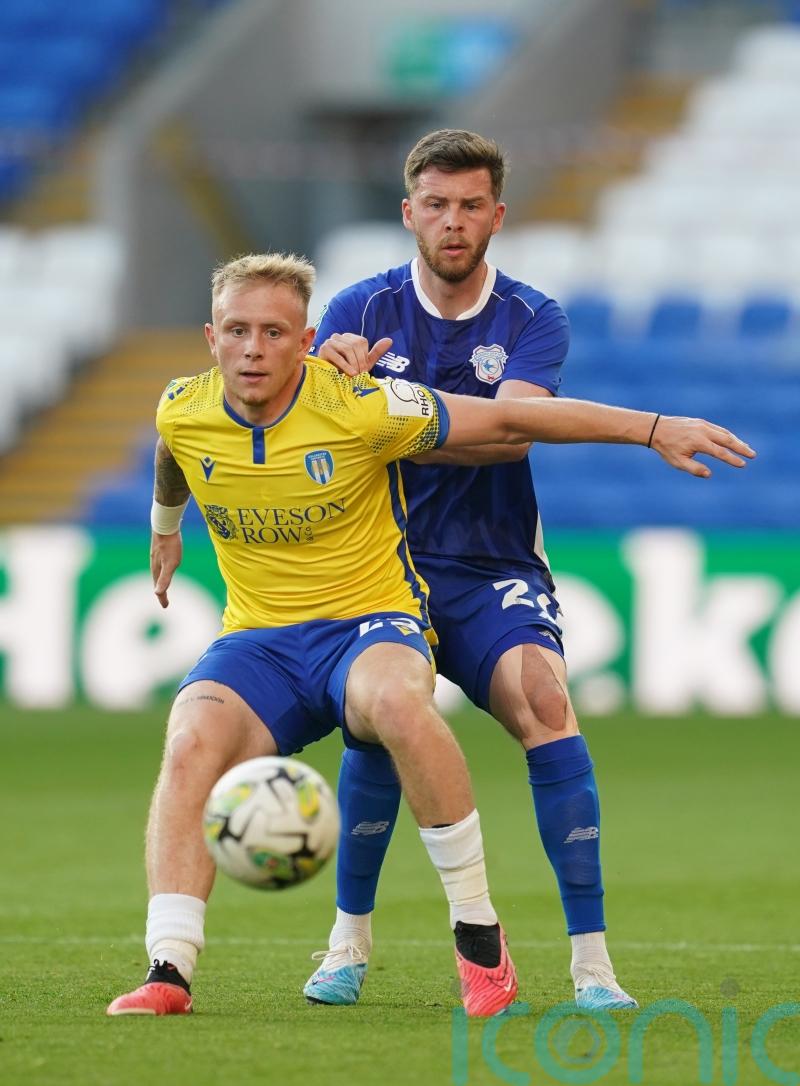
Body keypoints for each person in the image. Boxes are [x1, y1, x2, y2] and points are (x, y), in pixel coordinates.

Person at [105, 251, 752, 1020]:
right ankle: (168, 971)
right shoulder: (183, 404)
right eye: (238, 331)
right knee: (188, 740)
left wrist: (651, 429)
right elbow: (175, 449)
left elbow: (511, 420)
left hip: (370, 623)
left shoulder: (362, 406)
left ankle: (479, 937)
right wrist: (163, 526)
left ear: (305, 339)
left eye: (274, 333)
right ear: (211, 338)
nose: (254, 349)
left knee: (400, 704)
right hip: (263, 639)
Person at [301, 128, 746, 1012]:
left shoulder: (533, 317)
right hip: (382, 568)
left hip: (492, 563)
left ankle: (592, 965)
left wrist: (382, 408)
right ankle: (346, 942)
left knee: (545, 704)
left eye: (471, 206)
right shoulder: (357, 309)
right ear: (408, 214)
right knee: (385, 721)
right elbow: (309, 437)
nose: (453, 222)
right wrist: (328, 384)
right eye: (436, 205)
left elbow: (508, 432)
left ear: (497, 215)